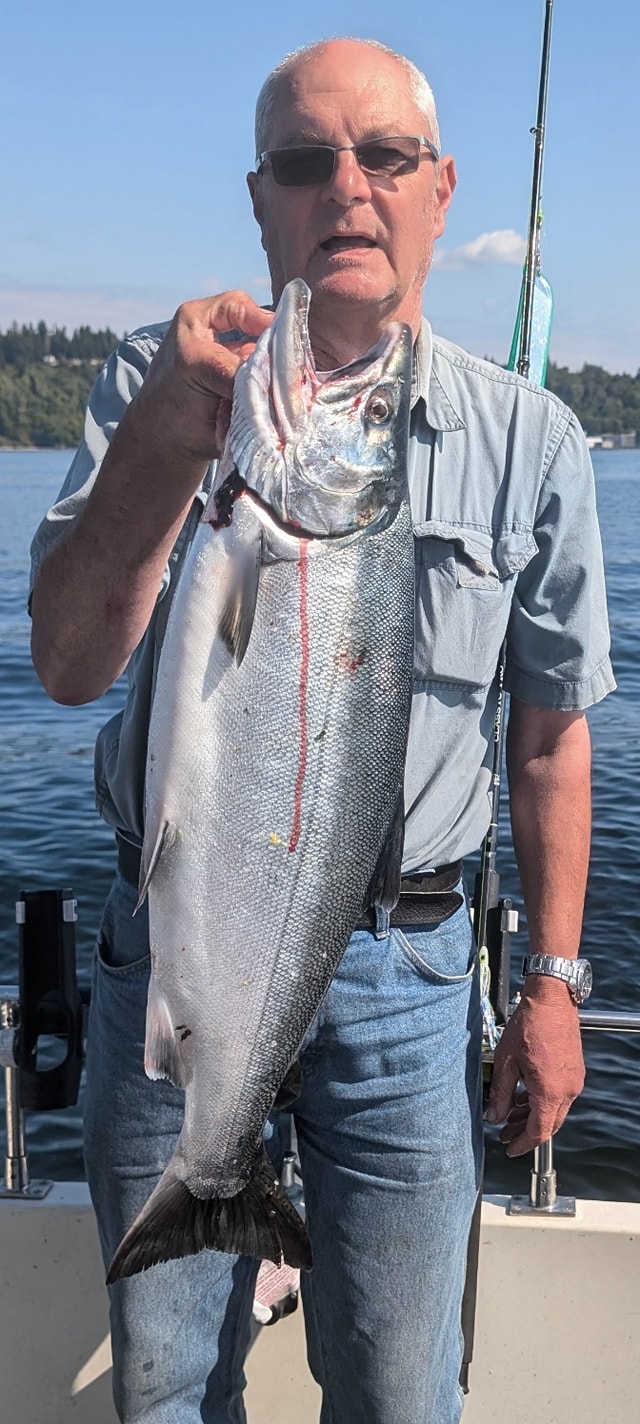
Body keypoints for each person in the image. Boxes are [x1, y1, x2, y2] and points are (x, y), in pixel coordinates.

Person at [29, 36, 614, 1424]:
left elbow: (549, 742)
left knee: (403, 1394)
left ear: (439, 190)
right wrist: (164, 449)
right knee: (167, 1393)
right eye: (304, 162)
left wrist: (552, 987)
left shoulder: (532, 440)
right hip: (173, 952)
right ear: (260, 200)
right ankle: (213, 1186)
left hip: (412, 982)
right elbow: (65, 664)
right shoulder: (153, 386)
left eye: (386, 157)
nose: (347, 188)